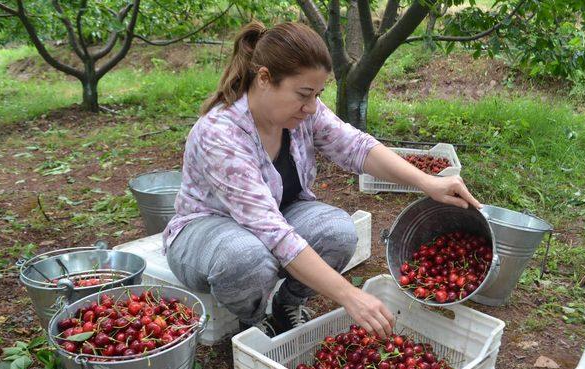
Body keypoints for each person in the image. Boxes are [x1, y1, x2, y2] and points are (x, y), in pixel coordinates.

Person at [164, 21, 481, 339]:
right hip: (207, 229)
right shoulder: (220, 134)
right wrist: (349, 295)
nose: (312, 106)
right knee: (245, 259)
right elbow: (274, 234)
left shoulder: (302, 112)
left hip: (275, 217)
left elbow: (357, 147)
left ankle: (287, 305)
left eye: (318, 94)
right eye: (304, 94)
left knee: (339, 233)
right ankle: (254, 319)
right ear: (264, 78)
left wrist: (427, 182)